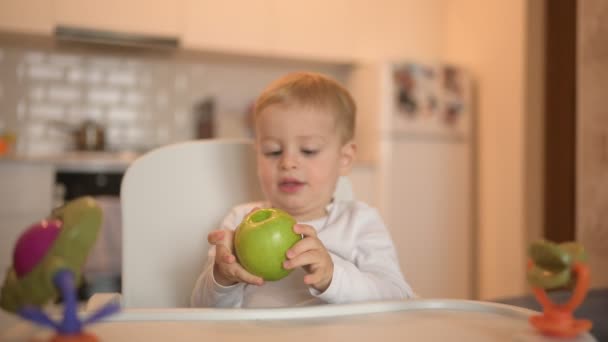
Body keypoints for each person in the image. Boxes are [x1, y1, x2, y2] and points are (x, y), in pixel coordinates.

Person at [191, 72, 414, 308]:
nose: (288, 162)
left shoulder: (359, 222)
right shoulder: (238, 222)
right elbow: (201, 309)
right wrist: (222, 279)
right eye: (273, 151)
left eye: (308, 150)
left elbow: (398, 295)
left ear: (345, 158)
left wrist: (333, 277)